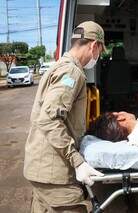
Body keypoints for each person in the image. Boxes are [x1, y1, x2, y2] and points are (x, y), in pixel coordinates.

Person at [24, 21, 106, 212]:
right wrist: (77, 161)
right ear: (94, 45)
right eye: (100, 51)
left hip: (42, 169)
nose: (98, 56)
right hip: (56, 175)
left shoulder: (58, 66)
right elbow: (49, 119)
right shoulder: (71, 72)